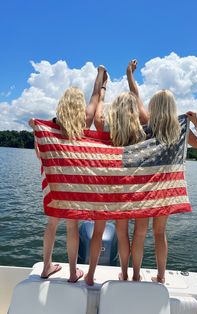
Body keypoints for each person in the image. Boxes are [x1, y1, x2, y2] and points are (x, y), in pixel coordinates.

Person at [29, 65, 106, 282]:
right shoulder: (83, 122)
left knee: (52, 225)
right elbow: (93, 97)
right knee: (72, 226)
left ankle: (46, 267)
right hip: (74, 185)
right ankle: (73, 273)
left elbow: (39, 155)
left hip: (54, 184)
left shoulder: (51, 127)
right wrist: (100, 78)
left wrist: (34, 129)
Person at [85, 61, 148, 285]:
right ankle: (133, 273)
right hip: (133, 187)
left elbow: (99, 104)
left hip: (109, 185)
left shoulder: (104, 125)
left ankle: (92, 274)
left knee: (102, 233)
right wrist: (129, 74)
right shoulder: (142, 128)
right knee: (131, 234)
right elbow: (136, 95)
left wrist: (102, 87)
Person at [147, 89, 197, 283]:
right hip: (166, 187)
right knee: (159, 232)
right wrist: (196, 124)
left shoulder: (147, 125)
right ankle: (161, 276)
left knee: (139, 232)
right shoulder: (179, 127)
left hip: (145, 185)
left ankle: (134, 273)